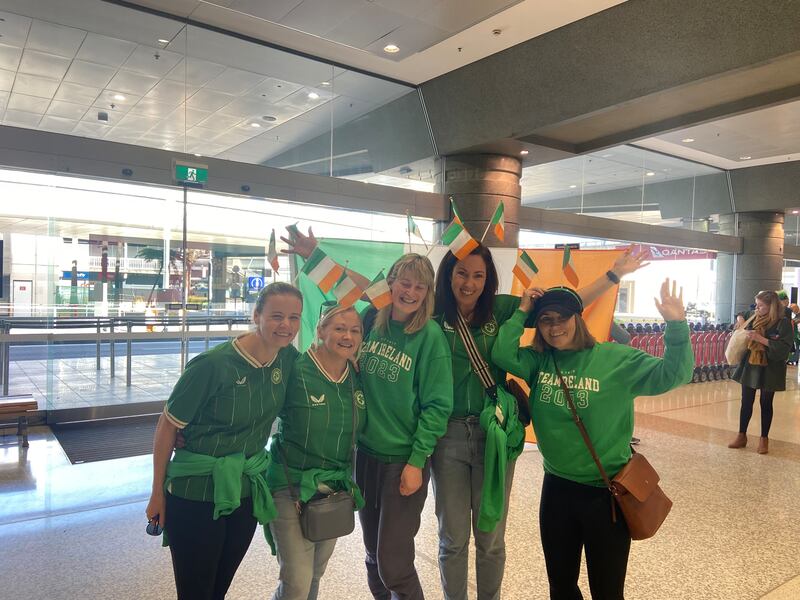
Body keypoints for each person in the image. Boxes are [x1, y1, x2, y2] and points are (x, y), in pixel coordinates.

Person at [430, 244, 647, 600]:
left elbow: (565, 305)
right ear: (448, 275)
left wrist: (613, 275)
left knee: (490, 538)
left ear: (489, 279)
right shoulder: (433, 314)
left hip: (495, 433)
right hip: (448, 435)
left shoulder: (500, 309)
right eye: (462, 273)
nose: (469, 283)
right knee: (452, 538)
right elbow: (390, 306)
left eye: (478, 275)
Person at [491, 280, 693, 600]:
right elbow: (501, 353)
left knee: (607, 591)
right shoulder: (539, 362)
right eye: (546, 320)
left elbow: (674, 374)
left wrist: (677, 325)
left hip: (606, 493)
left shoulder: (616, 359)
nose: (555, 327)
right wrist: (523, 311)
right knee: (561, 586)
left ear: (578, 319)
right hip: (556, 488)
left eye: (562, 318)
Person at [145, 282, 302, 600]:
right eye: (276, 316)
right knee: (196, 591)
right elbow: (166, 426)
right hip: (196, 493)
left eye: (294, 318)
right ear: (256, 315)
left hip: (243, 493)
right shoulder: (212, 366)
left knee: (218, 587)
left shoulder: (287, 359)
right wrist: (156, 493)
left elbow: (322, 369)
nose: (285, 326)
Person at [266, 303, 366, 600]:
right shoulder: (295, 368)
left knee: (313, 575)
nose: (347, 336)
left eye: (355, 330)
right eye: (339, 328)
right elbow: (257, 401)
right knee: (296, 579)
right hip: (289, 484)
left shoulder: (357, 377)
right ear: (320, 330)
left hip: (333, 489)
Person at [728, 290, 793, 454]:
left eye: (760, 305)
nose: (757, 308)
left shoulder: (783, 323)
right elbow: (742, 313)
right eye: (756, 305)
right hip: (751, 364)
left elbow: (784, 349)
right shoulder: (754, 314)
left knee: (766, 403)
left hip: (771, 367)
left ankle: (764, 439)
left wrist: (760, 339)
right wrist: (740, 319)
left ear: (771, 307)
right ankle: (741, 435)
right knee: (746, 401)